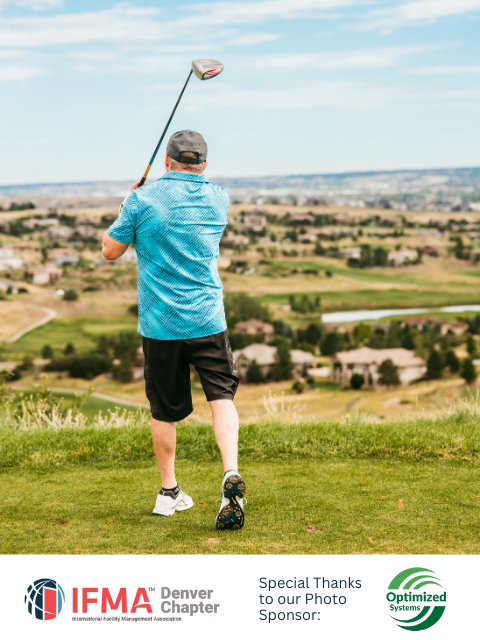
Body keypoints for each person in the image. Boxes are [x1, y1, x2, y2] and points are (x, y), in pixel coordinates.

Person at [102, 130, 245, 530]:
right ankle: (229, 474)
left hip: (161, 324)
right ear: (203, 164)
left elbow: (109, 251)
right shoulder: (219, 198)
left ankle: (169, 492)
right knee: (222, 396)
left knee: (164, 410)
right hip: (207, 320)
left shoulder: (141, 200)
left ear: (166, 162)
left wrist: (129, 204)